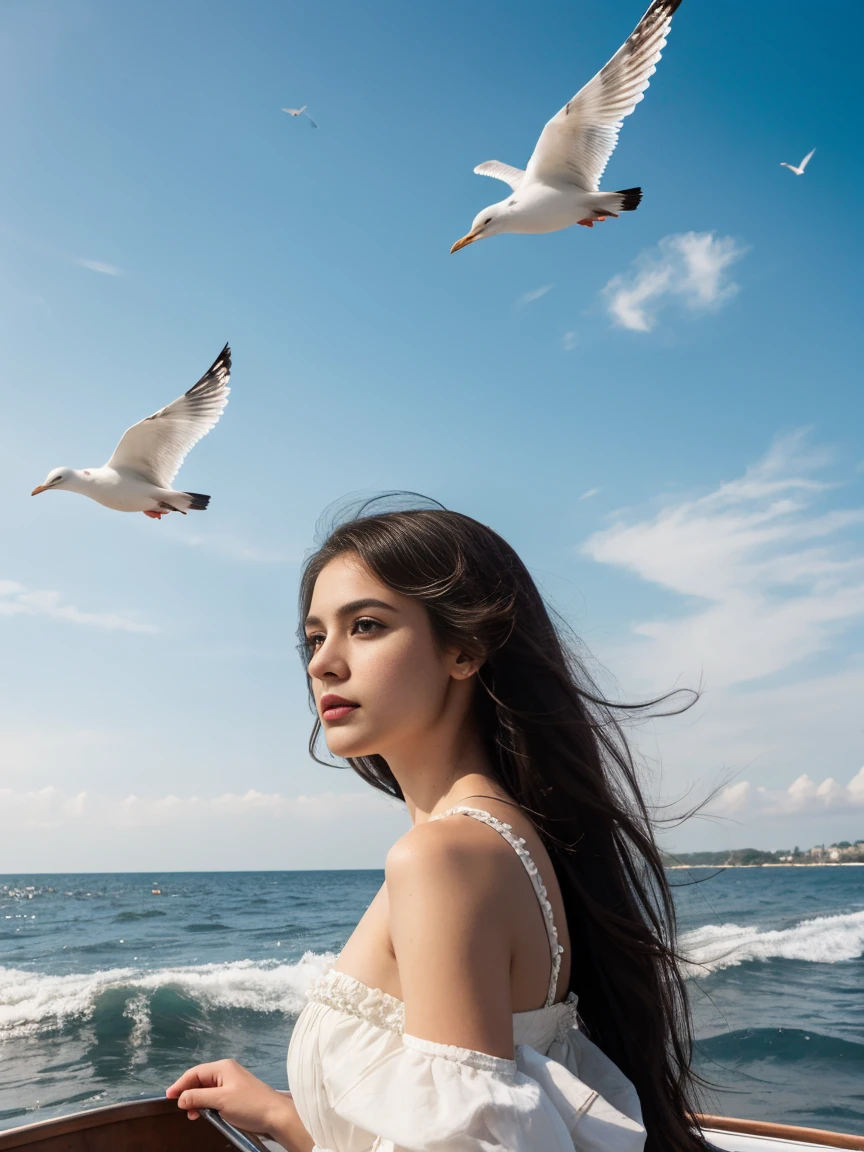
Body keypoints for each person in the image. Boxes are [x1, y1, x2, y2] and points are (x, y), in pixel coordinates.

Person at [167, 501, 708, 1152]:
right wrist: (286, 1119)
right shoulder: (505, 836)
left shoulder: (441, 857)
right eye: (315, 638)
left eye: (365, 626)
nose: (322, 664)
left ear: (464, 650)